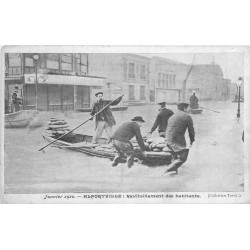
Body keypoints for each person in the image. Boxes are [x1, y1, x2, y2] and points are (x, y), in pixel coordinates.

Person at [164, 103, 195, 174]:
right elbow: (191, 131)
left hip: (168, 139)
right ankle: (167, 171)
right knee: (183, 157)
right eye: (188, 108)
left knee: (175, 157)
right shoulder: (187, 116)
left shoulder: (172, 116)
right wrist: (192, 141)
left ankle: (173, 173)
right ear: (184, 108)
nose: (189, 110)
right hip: (176, 140)